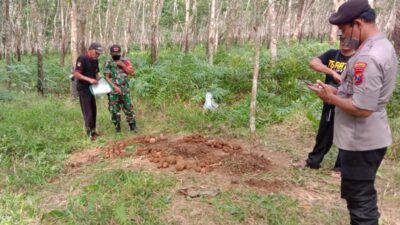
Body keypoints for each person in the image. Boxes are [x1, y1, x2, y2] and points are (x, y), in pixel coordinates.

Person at [307, 0, 398, 224]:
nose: (343, 36)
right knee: (359, 197)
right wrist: (335, 90)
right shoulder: (381, 46)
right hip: (368, 137)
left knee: (361, 202)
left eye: (343, 30)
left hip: (361, 140)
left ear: (358, 24)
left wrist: (331, 98)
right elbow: (360, 93)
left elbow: (363, 108)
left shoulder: (367, 57)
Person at [303, 38, 354, 175]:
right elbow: (313, 63)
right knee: (324, 133)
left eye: (347, 38)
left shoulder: (358, 59)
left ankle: (340, 168)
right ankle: (313, 161)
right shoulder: (332, 54)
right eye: (341, 39)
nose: (344, 41)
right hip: (329, 101)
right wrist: (331, 72)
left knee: (345, 134)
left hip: (346, 102)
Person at [104, 44, 137, 133]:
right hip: (113, 91)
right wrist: (114, 86)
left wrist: (123, 66)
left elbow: (132, 73)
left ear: (120, 52)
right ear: (111, 53)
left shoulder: (125, 61)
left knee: (128, 108)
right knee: (114, 110)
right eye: (114, 53)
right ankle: (117, 129)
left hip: (124, 89)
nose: (116, 54)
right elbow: (106, 77)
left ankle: (133, 128)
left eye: (117, 52)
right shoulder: (108, 62)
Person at [73, 42, 104, 141]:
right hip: (83, 88)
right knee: (88, 111)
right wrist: (89, 80)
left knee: (93, 109)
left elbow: (96, 73)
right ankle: (89, 133)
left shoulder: (95, 60)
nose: (97, 55)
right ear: (90, 50)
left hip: (92, 88)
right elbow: (77, 74)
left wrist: (100, 81)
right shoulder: (82, 58)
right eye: (96, 52)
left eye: (99, 53)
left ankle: (93, 131)